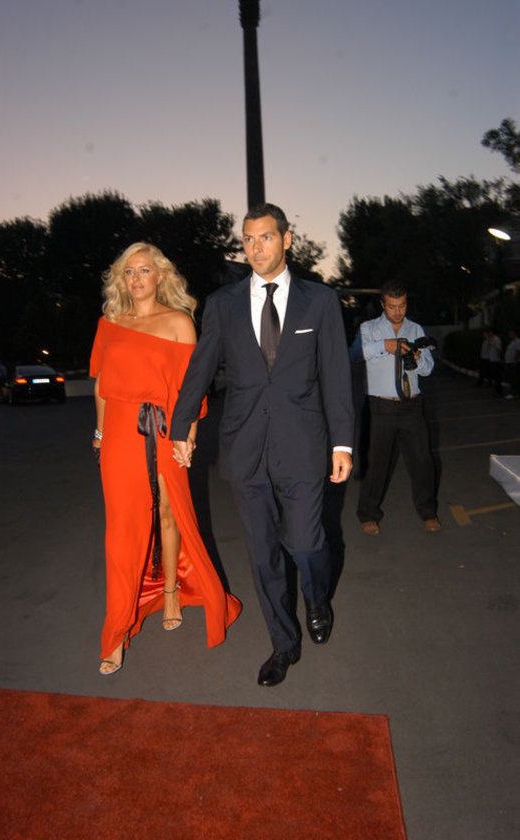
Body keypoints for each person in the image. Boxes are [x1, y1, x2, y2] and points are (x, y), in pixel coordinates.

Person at [170, 203, 354, 687]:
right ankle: (283, 644)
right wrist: (181, 423)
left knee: (307, 543)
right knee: (263, 553)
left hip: (303, 445)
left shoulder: (320, 301)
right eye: (248, 240)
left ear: (287, 240)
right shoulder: (223, 303)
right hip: (245, 447)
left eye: (266, 237)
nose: (255, 248)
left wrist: (343, 443)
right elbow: (201, 367)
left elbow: (336, 376)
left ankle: (317, 598)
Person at [90, 242, 241, 675]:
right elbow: (101, 386)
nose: (136, 278)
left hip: (164, 428)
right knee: (122, 531)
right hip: (119, 433)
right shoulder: (110, 322)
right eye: (129, 271)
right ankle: (117, 631)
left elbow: (190, 388)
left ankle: (172, 591)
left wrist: (186, 436)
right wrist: (100, 433)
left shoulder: (179, 323)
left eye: (144, 270)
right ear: (121, 279)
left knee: (171, 514)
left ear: (160, 276)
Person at [353, 282, 440, 535]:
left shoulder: (416, 329)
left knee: (423, 462)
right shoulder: (368, 328)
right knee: (376, 464)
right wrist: (386, 346)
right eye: (392, 306)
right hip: (380, 407)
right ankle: (368, 514)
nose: (398, 311)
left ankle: (428, 512)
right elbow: (357, 354)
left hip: (412, 406)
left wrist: (418, 359)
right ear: (383, 305)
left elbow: (428, 369)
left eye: (402, 306)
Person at [504, 327, 520, 399]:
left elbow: (518, 352)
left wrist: (515, 361)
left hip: (513, 363)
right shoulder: (512, 342)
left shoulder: (517, 341)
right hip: (509, 362)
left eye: (511, 333)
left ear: (515, 334)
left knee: (514, 378)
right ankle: (514, 392)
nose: (510, 334)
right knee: (512, 378)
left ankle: (513, 393)